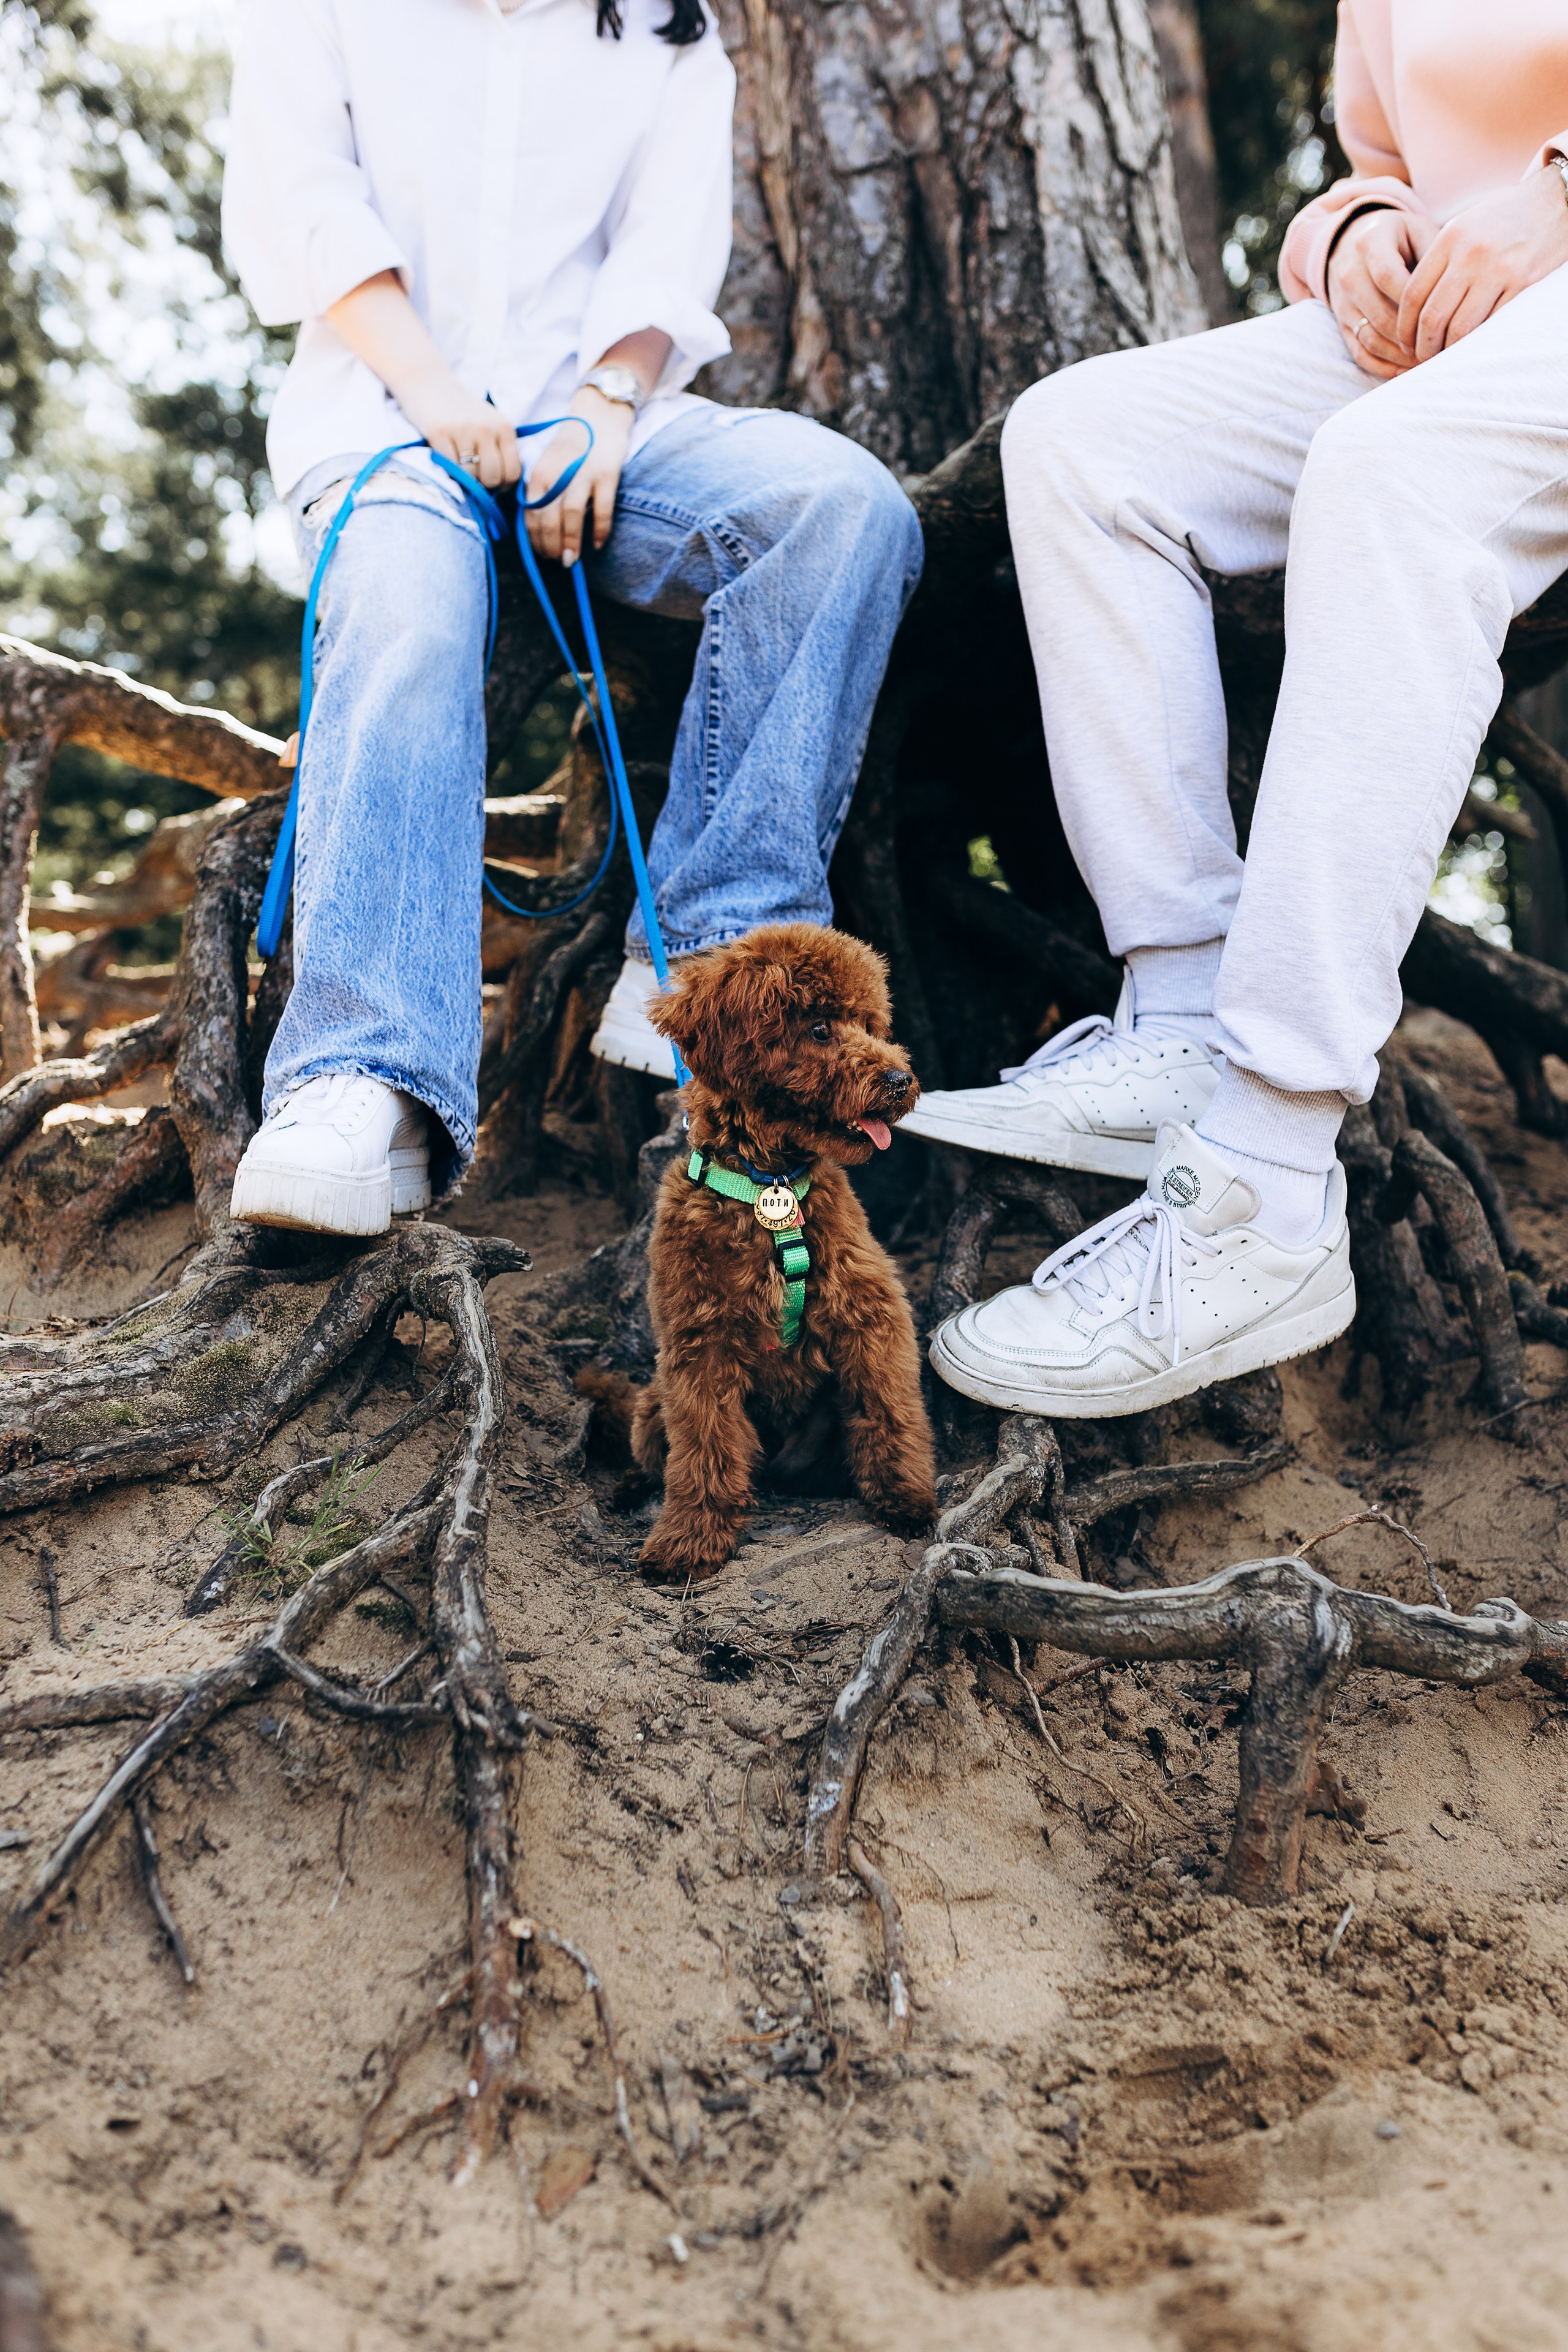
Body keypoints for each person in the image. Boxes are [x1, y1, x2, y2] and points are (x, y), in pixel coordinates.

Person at [908, 1, 1568, 1420]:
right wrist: (1351, 240)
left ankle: (1263, 1187)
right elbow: (1381, 158)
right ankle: (1185, 1004)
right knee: (1085, 444)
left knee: (1387, 478)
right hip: (1461, 323)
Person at [221, 0, 923, 1237]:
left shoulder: (668, 32)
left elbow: (660, 256)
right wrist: (437, 399)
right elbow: (304, 206)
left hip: (601, 430)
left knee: (839, 508)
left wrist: (606, 403)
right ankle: (361, 1075)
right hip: (383, 424)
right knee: (408, 611)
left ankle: (712, 969)